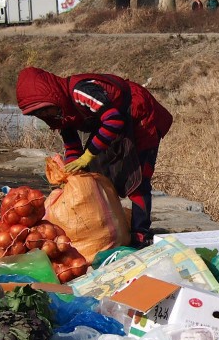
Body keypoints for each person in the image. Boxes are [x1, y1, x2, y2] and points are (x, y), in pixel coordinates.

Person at [16, 67, 173, 247]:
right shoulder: (59, 112)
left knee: (137, 179)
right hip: (116, 123)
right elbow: (72, 143)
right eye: (38, 114)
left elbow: (113, 120)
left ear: (53, 98)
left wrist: (88, 155)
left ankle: (140, 234)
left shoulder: (80, 92)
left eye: (44, 110)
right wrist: (73, 170)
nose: (44, 116)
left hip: (141, 117)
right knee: (94, 176)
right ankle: (108, 228)